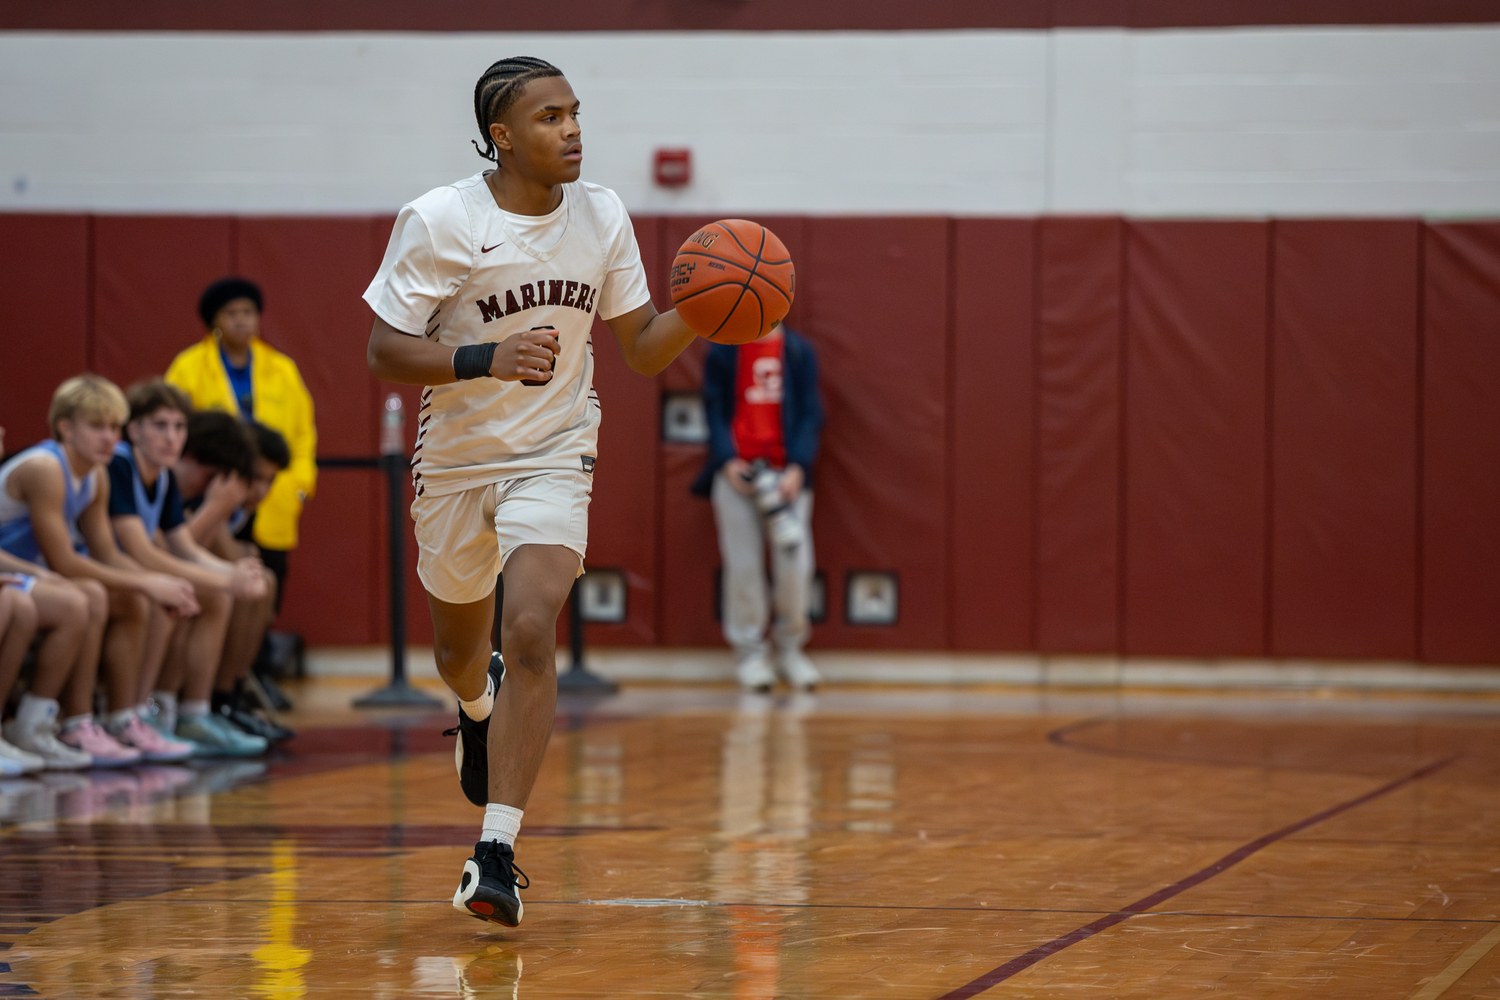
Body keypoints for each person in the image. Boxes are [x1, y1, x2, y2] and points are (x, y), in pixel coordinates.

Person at [364, 56, 699, 928]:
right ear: (503, 136)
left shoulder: (603, 214)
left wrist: (708, 308)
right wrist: (486, 357)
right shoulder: (441, 220)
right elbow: (384, 352)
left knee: (531, 622)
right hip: (458, 460)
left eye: (577, 112)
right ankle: (478, 707)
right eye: (551, 117)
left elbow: (641, 347)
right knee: (456, 655)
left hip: (554, 450)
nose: (574, 129)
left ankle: (497, 852)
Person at [0, 375, 198, 767]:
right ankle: (44, 722)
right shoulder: (46, 468)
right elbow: (65, 562)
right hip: (15, 569)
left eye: (113, 427)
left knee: (131, 601)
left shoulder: (96, 474)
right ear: (65, 427)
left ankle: (118, 717)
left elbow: (106, 553)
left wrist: (149, 584)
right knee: (84, 599)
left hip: (33, 574)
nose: (109, 438)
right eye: (97, 426)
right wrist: (148, 581)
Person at [109, 380, 269, 758]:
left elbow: (182, 547)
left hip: (115, 570)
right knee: (166, 595)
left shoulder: (159, 476)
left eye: (179, 427)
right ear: (134, 430)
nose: (172, 437)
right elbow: (146, 553)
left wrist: (233, 573)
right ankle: (131, 712)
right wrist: (225, 576)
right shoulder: (120, 463)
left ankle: (185, 712)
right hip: (89, 570)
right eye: (160, 426)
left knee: (193, 592)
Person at [165, 278, 317, 611]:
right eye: (231, 312)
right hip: (216, 489)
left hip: (271, 491)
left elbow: (304, 434)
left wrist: (300, 486)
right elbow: (172, 426)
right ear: (214, 321)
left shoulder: (282, 368)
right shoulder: (187, 367)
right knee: (214, 588)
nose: (241, 320)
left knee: (268, 583)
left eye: (248, 312)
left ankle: (256, 660)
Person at [693, 324, 824, 691]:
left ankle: (790, 651)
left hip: (787, 479)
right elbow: (714, 408)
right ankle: (750, 656)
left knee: (796, 568)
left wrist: (798, 467)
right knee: (744, 568)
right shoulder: (724, 351)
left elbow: (811, 414)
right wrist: (726, 461)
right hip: (738, 477)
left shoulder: (798, 351)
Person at [177, 417, 291, 744]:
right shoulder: (215, 491)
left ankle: (230, 696)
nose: (262, 490)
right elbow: (192, 547)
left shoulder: (241, 502)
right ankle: (213, 700)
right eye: (257, 478)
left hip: (182, 569)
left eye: (270, 481)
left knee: (261, 583)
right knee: (240, 587)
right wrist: (220, 518)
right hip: (169, 574)